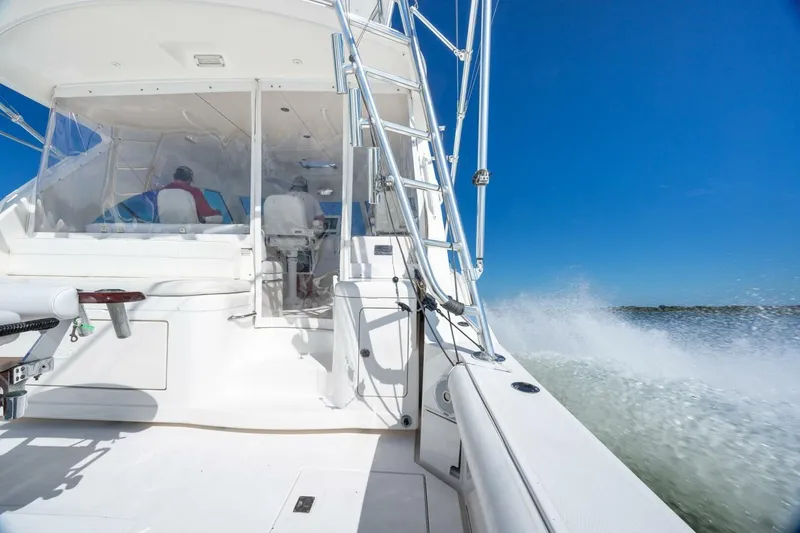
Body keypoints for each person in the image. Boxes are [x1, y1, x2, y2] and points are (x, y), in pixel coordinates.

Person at [287, 176, 324, 301]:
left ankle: (296, 291)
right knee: (307, 265)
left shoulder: (282, 198)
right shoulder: (311, 199)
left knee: (291, 265)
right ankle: (309, 292)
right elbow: (320, 218)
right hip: (303, 238)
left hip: (283, 239)